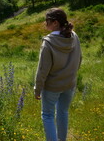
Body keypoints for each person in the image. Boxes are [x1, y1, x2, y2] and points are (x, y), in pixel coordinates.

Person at [34, 8, 82, 141]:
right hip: (70, 84)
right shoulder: (74, 36)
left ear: (55, 23)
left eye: (47, 21)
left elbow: (42, 70)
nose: (45, 23)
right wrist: (72, 76)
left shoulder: (48, 43)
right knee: (63, 112)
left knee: (47, 115)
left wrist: (37, 89)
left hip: (52, 87)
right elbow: (80, 58)